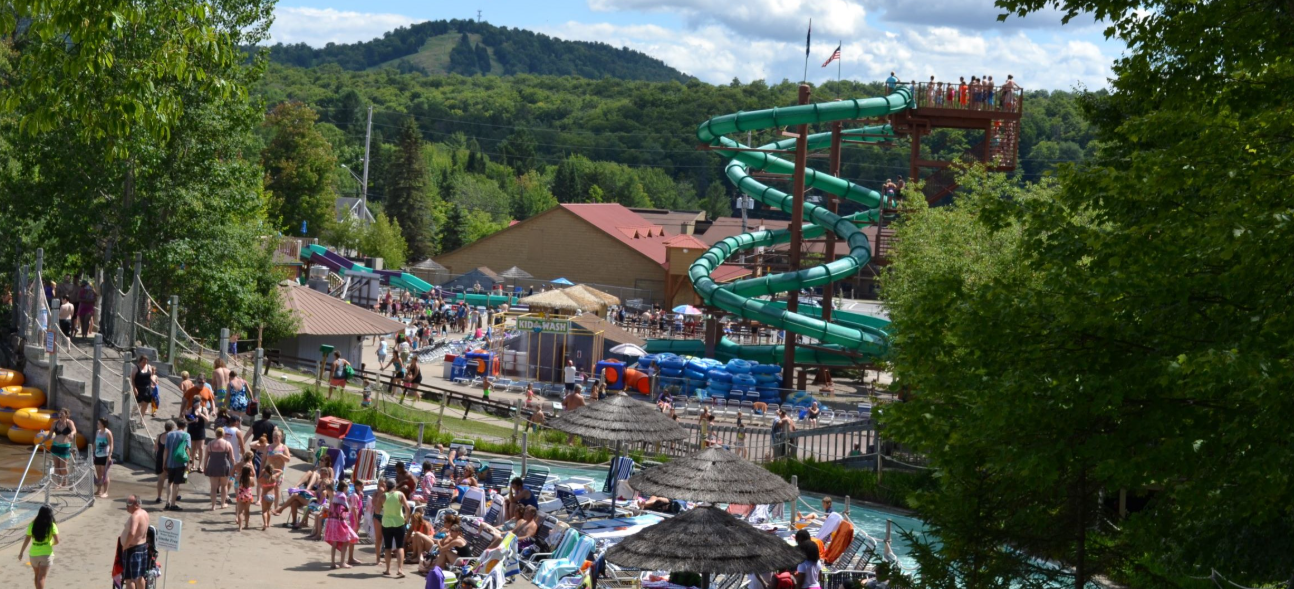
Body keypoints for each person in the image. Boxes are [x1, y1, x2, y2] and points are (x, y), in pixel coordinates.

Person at [20, 504, 58, 589]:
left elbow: (27, 540)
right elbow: (57, 541)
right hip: (46, 554)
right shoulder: (52, 525)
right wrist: (51, 543)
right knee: (42, 577)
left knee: (37, 575)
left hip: (33, 554)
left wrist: (21, 552)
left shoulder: (32, 525)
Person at [325, 479, 360, 569]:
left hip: (332, 520)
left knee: (334, 542)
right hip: (339, 521)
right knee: (346, 540)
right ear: (344, 488)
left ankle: (333, 563)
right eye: (347, 487)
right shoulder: (343, 496)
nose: (348, 489)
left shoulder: (336, 495)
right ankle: (342, 562)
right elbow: (347, 507)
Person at [380, 478, 411, 578]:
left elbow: (377, 509)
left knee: (388, 547)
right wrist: (407, 518)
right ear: (395, 486)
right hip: (399, 522)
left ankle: (388, 569)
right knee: (400, 546)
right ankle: (400, 569)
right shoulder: (400, 494)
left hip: (387, 523)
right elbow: (408, 508)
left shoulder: (383, 496)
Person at [119, 495, 150, 589]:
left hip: (133, 550)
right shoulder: (145, 513)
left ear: (136, 504)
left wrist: (125, 546)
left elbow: (132, 533)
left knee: (129, 580)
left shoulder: (135, 516)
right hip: (143, 548)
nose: (126, 506)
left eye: (128, 504)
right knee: (140, 577)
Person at [163, 417, 191, 511]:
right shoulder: (186, 435)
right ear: (185, 426)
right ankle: (173, 504)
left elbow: (166, 450)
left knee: (169, 482)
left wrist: (164, 462)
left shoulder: (170, 434)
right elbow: (187, 450)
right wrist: (188, 463)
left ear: (177, 424)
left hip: (170, 462)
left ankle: (167, 502)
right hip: (180, 463)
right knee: (176, 484)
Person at [205, 427, 234, 510]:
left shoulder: (210, 443)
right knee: (224, 485)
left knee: (213, 487)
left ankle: (213, 506)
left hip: (212, 465)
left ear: (216, 434)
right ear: (223, 434)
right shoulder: (227, 444)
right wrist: (234, 468)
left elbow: (206, 457)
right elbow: (232, 458)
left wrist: (205, 467)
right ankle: (222, 504)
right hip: (224, 466)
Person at [48, 408, 75, 485]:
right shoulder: (55, 423)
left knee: (63, 467)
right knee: (56, 467)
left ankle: (64, 482)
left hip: (65, 446)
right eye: (59, 414)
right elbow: (50, 435)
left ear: (66, 415)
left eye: (62, 414)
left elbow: (74, 430)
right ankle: (59, 484)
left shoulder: (69, 422)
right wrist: (42, 441)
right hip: (56, 445)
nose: (60, 415)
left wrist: (72, 434)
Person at [92, 417, 114, 497]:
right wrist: (91, 452)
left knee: (105, 474)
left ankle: (106, 492)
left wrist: (110, 455)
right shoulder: (97, 432)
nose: (97, 424)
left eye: (99, 423)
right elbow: (95, 443)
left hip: (105, 455)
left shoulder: (107, 433)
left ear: (103, 424)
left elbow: (111, 444)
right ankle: (99, 490)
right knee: (99, 473)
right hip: (97, 455)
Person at [185, 403, 208, 473]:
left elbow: (207, 420)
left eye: (196, 403)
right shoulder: (190, 409)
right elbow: (186, 421)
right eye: (193, 403)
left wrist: (202, 415)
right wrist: (193, 420)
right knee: (193, 448)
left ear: (199, 403)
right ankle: (193, 465)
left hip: (200, 431)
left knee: (201, 448)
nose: (194, 405)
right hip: (192, 430)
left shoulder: (203, 409)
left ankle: (200, 465)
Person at [152, 422, 172, 504]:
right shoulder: (171, 436)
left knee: (161, 479)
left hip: (160, 458)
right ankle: (171, 497)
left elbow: (156, 448)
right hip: (169, 459)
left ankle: (159, 496)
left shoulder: (159, 436)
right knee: (171, 480)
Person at [258, 464, 282, 530]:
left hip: (265, 496)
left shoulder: (263, 479)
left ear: (265, 470)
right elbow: (281, 471)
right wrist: (274, 470)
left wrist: (263, 472)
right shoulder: (274, 477)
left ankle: (265, 523)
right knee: (269, 510)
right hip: (272, 496)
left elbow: (258, 480)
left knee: (264, 511)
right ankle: (268, 523)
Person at [131, 356, 155, 421]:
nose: (145, 363)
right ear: (140, 361)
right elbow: (132, 379)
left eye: (146, 362)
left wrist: (153, 381)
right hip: (139, 388)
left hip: (147, 388)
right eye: (143, 362)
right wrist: (134, 388)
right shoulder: (136, 368)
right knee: (138, 404)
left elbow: (149, 376)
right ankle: (132, 413)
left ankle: (142, 420)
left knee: (145, 404)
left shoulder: (149, 366)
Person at [234, 464, 255, 531]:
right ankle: (246, 525)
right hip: (248, 495)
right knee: (247, 511)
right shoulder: (251, 479)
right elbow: (253, 485)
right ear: (249, 472)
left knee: (240, 512)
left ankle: (240, 527)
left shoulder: (239, 478)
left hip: (241, 495)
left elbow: (236, 482)